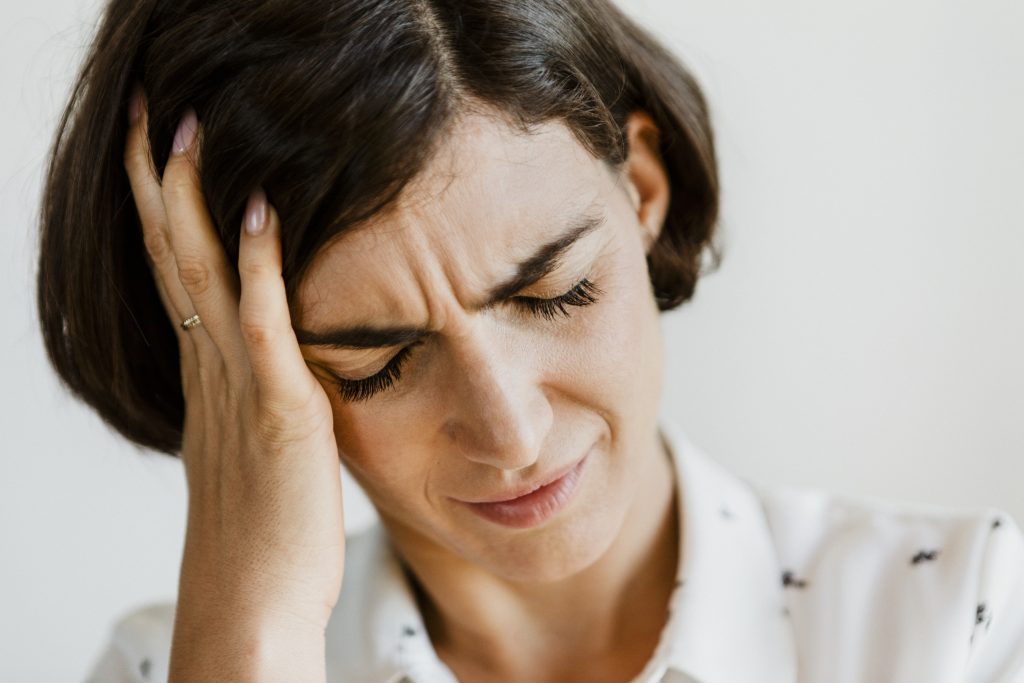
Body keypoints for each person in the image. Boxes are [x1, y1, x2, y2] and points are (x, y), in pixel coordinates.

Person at [35, 1, 1024, 682]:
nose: (508, 428)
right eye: (377, 362)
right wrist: (250, 640)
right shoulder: (174, 662)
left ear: (640, 189)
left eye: (558, 289)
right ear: (247, 378)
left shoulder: (960, 617)